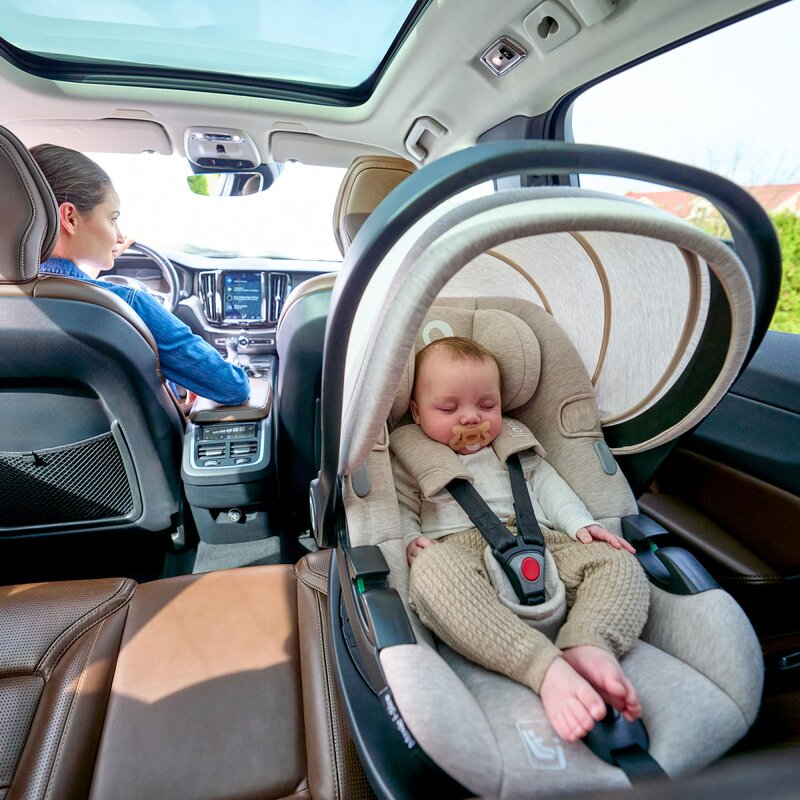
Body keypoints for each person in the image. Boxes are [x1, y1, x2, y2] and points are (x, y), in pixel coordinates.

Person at [390, 337, 650, 743]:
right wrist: (410, 539)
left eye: (487, 406)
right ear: (416, 410)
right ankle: (541, 667)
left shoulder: (514, 445)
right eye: (448, 409)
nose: (471, 418)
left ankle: (591, 641)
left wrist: (579, 525)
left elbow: (551, 488)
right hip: (458, 549)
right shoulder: (411, 457)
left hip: (543, 539)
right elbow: (402, 507)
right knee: (432, 574)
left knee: (616, 560)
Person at [30, 143, 249, 407]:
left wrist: (93, 267)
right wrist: (233, 361)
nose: (120, 236)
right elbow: (232, 387)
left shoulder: (10, 302)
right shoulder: (128, 306)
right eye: (112, 219)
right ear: (70, 218)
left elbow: (60, 289)